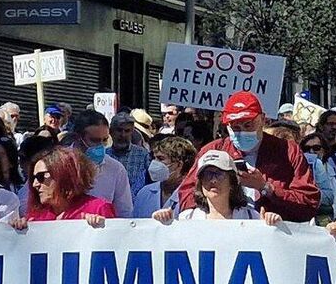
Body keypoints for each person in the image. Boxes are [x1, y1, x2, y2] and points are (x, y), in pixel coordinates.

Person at [172, 91, 319, 222]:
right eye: (235, 127)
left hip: (275, 238)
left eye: (248, 125)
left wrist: (266, 188)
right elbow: (187, 196)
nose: (241, 132)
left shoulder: (288, 151)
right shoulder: (213, 150)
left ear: (263, 119)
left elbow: (309, 203)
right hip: (224, 232)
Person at [154, 150, 283, 224]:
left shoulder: (251, 217)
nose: (213, 180)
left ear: (232, 182)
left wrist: (272, 225)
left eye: (219, 174)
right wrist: (163, 222)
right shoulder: (187, 218)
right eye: (207, 175)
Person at [13, 146, 116, 226]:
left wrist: (100, 228)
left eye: (41, 177)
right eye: (33, 178)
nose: (35, 184)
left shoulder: (98, 209)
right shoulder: (35, 218)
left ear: (63, 175)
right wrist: (18, 231)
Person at [62, 109, 133, 214]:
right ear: (78, 138)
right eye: (94, 140)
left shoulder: (116, 169)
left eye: (104, 140)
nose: (100, 146)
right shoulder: (56, 164)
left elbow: (125, 212)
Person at [134, 135, 195, 218]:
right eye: (154, 158)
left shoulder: (191, 196)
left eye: (161, 159)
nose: (155, 163)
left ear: (179, 165)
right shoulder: (144, 193)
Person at [108, 113, 152, 191]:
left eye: (127, 131)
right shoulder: (105, 155)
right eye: (119, 130)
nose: (123, 135)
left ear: (132, 132)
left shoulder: (142, 155)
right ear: (111, 132)